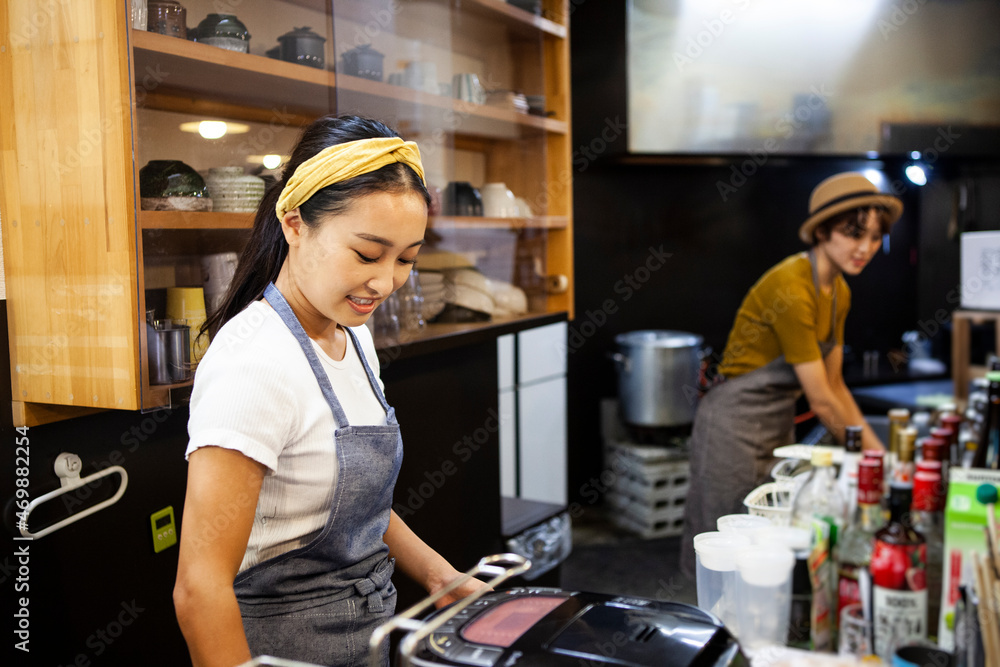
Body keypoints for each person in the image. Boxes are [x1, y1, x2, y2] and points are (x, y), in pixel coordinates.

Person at [173, 115, 487, 667]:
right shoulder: (254, 362)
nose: (386, 281)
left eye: (407, 259)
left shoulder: (352, 339)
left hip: (368, 638)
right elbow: (199, 590)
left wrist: (444, 578)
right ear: (295, 225)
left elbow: (347, 506)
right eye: (367, 254)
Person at [680, 171, 903, 578]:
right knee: (724, 545)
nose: (865, 248)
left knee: (767, 543)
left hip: (775, 425)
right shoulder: (792, 288)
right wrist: (874, 464)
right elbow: (821, 401)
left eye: (874, 237)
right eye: (854, 234)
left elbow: (835, 386)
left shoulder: (839, 292)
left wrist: (883, 460)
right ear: (821, 231)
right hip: (732, 424)